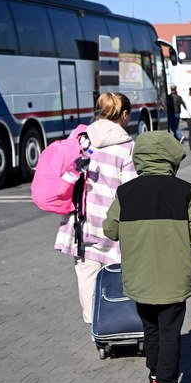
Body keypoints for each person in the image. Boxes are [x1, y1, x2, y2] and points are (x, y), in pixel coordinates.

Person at [103, 130, 191, 383]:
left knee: (150, 329)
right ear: (170, 158)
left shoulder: (125, 192)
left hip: (139, 277)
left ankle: (154, 378)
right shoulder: (185, 190)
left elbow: (110, 230)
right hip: (174, 277)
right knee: (170, 332)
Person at [54, 92, 137, 324]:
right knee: (118, 273)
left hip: (81, 221)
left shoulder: (80, 138)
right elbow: (129, 188)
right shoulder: (127, 145)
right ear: (124, 115)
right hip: (113, 221)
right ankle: (117, 322)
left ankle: (94, 325)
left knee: (86, 273)